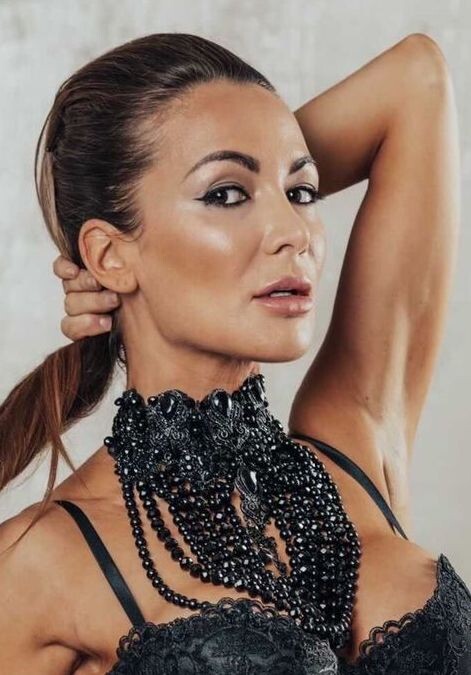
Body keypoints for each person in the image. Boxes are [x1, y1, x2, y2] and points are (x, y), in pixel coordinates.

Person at [0, 30, 469, 674]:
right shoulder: (41, 561)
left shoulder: (353, 443)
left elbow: (417, 81)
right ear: (107, 254)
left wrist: (245, 177)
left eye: (301, 194)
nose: (294, 233)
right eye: (225, 195)